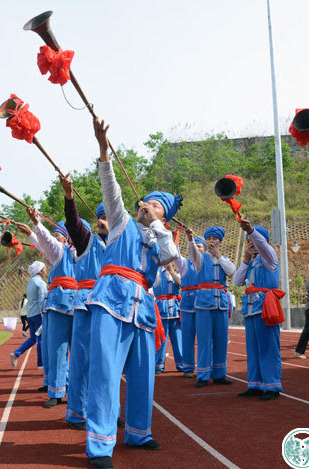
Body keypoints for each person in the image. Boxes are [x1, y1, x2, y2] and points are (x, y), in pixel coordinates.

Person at [84, 119, 180, 469]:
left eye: (154, 205)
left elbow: (172, 260)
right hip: (110, 300)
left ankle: (139, 432)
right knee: (106, 373)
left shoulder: (159, 239)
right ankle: (100, 446)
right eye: (146, 203)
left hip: (142, 307)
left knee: (143, 374)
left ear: (162, 216)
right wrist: (103, 148)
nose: (146, 205)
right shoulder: (121, 222)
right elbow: (111, 190)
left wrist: (158, 226)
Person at [60, 171, 109, 431]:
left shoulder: (121, 245)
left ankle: (105, 410)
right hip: (87, 304)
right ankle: (78, 412)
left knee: (108, 362)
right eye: (101, 217)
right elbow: (73, 224)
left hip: (112, 308)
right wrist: (69, 196)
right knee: (82, 359)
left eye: (109, 217)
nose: (103, 222)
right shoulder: (86, 241)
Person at [18, 212, 77, 409]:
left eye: (57, 234)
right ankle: (57, 390)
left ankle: (74, 390)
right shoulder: (58, 254)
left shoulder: (78, 252)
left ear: (67, 236)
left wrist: (36, 225)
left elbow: (48, 243)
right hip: (58, 304)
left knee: (77, 351)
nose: (54, 236)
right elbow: (47, 246)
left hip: (75, 304)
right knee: (56, 349)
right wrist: (33, 230)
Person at [233, 221, 283, 401]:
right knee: (253, 348)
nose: (251, 244)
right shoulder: (251, 262)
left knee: (268, 347)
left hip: (265, 307)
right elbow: (237, 281)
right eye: (248, 241)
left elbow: (263, 245)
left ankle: (272, 385)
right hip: (251, 309)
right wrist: (245, 259)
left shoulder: (269, 257)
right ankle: (255, 384)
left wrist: (252, 232)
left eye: (253, 241)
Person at [186, 225, 236, 388]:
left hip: (221, 303)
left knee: (221, 339)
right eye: (209, 239)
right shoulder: (201, 258)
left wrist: (219, 256)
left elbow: (231, 271)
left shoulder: (224, 259)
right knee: (204, 340)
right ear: (206, 241)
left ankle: (220, 373)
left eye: (215, 239)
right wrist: (190, 239)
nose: (212, 241)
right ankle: (203, 375)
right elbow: (192, 254)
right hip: (203, 303)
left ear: (220, 242)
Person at [174, 236, 207, 378]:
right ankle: (187, 367)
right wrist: (174, 239)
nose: (197, 248)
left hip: (204, 302)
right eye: (195, 246)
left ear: (205, 249)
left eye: (200, 246)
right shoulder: (184, 264)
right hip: (187, 304)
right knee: (187, 336)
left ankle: (205, 366)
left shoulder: (208, 262)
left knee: (205, 338)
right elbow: (174, 254)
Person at [10, 261, 47, 370]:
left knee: (33, 338)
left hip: (30, 315)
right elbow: (42, 301)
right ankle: (41, 364)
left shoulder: (29, 282)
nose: (45, 271)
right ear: (40, 271)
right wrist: (44, 315)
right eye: (44, 269)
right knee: (41, 339)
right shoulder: (40, 283)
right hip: (38, 315)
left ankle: (16, 353)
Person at [154, 262, 183, 374]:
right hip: (161, 309)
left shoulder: (177, 274)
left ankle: (181, 364)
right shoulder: (157, 273)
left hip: (175, 309)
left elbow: (181, 284)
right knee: (162, 338)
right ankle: (158, 365)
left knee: (178, 338)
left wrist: (171, 271)